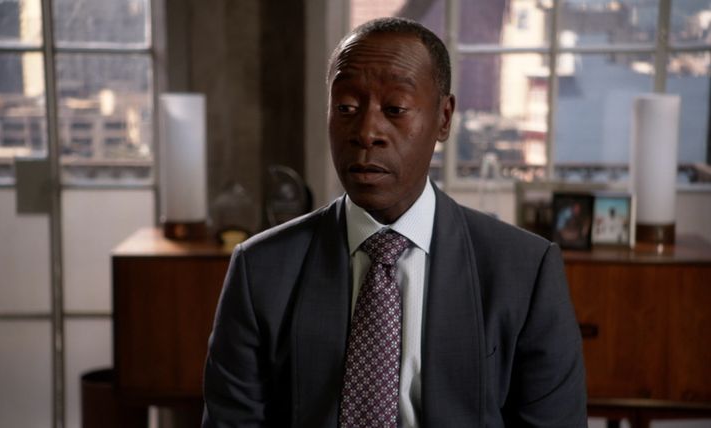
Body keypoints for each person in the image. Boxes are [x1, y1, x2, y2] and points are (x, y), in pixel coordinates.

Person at [202, 17, 586, 427]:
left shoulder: (524, 271)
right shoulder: (261, 269)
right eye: (346, 108)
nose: (367, 132)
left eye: (395, 109)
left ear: (444, 117)